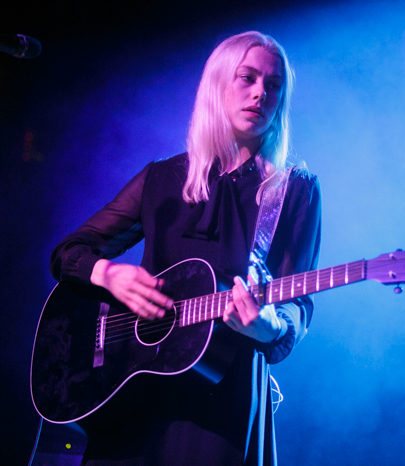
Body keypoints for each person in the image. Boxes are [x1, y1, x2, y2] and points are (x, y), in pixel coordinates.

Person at [49, 31, 321, 465]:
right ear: (216, 85)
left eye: (273, 85)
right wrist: (108, 273)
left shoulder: (292, 191)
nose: (260, 93)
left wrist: (269, 327)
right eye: (247, 78)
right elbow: (70, 251)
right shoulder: (162, 178)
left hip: (223, 401)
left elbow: (296, 304)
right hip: (131, 389)